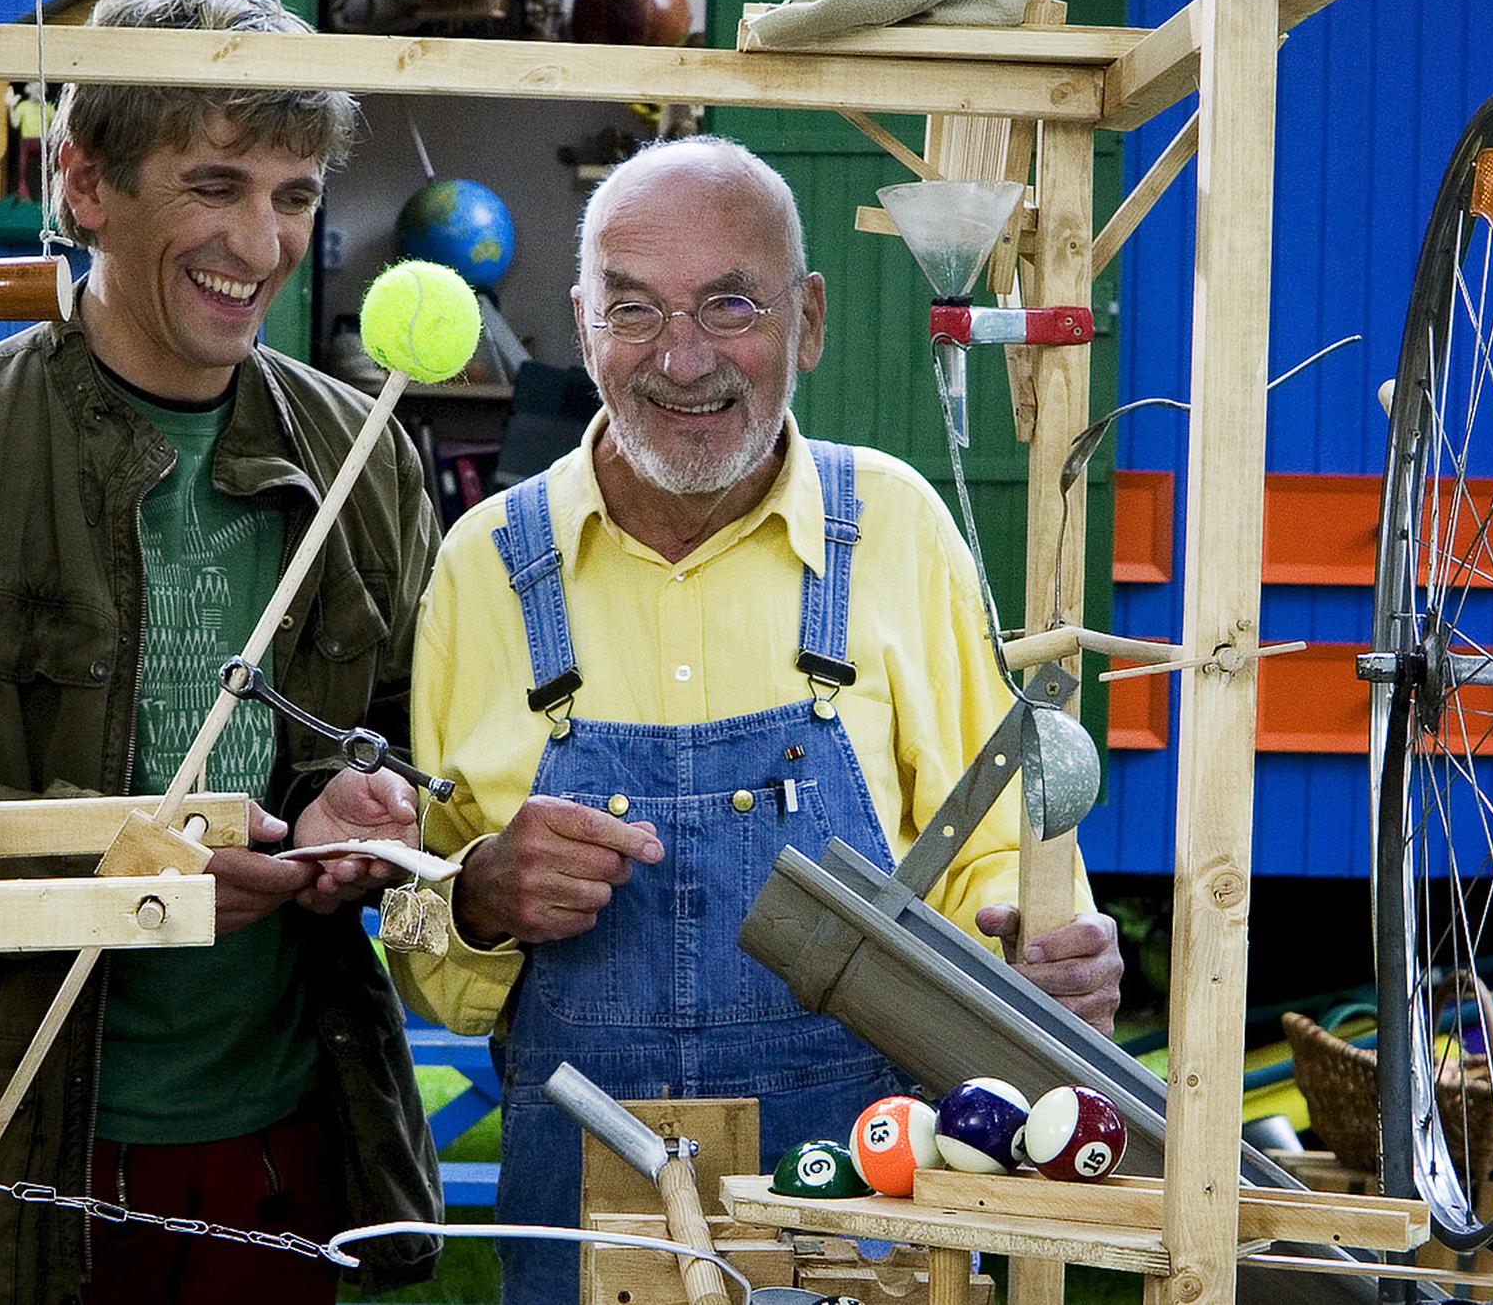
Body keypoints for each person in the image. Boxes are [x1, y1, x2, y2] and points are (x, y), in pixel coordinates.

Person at [392, 136, 1124, 1304]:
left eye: (729, 303)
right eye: (634, 311)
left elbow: (1001, 859)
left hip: (868, 1198)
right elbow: (421, 943)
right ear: (583, 327)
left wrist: (1047, 950)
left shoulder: (898, 530)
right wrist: (478, 895)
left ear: (809, 320)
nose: (681, 359)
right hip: (584, 1211)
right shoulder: (485, 566)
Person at [0, 0, 442, 1304]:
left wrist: (360, 803)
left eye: (294, 195)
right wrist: (138, 869)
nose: (262, 245)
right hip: (5, 1126)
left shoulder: (365, 456)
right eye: (214, 185)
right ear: (88, 184)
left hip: (278, 1123)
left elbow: (401, 734)